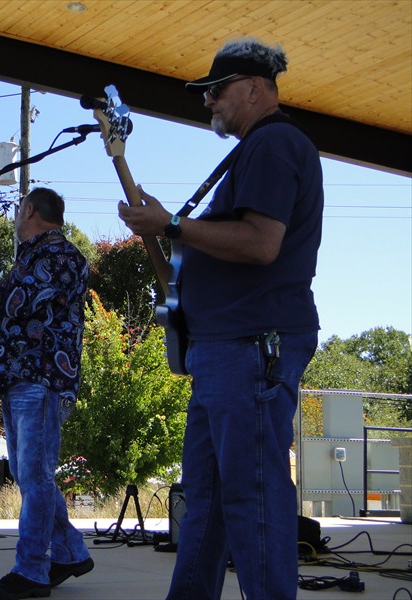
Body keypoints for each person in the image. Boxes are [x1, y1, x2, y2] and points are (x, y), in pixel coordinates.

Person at [118, 38, 323, 600]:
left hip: (248, 344)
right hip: (224, 348)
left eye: (217, 89)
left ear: (255, 88)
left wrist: (174, 227)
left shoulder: (275, 144)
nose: (208, 101)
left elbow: (261, 243)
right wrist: (162, 231)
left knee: (252, 496)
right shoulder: (255, 150)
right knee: (204, 501)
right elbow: (202, 260)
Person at [0, 188, 94, 599]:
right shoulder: (31, 255)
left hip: (42, 379)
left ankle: (31, 571)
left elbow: (18, 301)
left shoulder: (61, 255)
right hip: (22, 378)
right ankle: (70, 552)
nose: (13, 216)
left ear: (29, 209)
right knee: (32, 475)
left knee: (34, 475)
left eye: (17, 209)